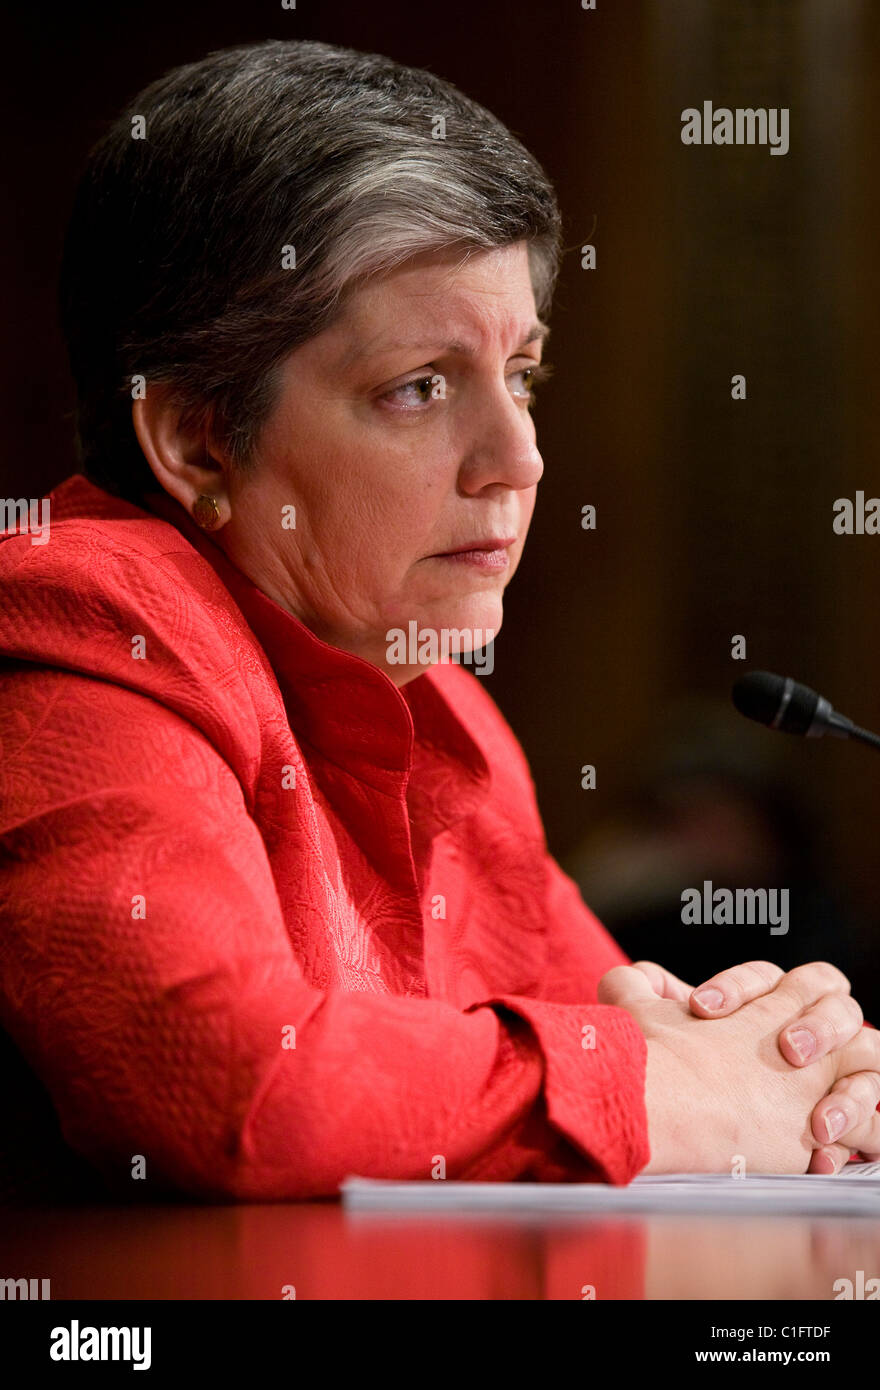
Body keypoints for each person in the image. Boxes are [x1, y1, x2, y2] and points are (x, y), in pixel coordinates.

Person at [0, 38, 877, 1203]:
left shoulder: (443, 714)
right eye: (419, 385)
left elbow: (635, 1042)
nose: (518, 460)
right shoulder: (83, 616)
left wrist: (800, 1068)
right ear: (198, 439)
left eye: (522, 373)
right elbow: (232, 1084)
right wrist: (688, 1094)